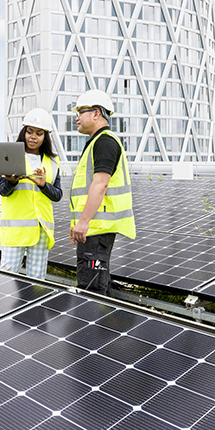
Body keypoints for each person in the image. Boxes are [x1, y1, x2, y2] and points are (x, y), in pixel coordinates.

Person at [69, 89, 136, 296]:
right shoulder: (96, 142)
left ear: (96, 113)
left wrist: (83, 222)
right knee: (96, 285)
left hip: (97, 228)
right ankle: (99, 327)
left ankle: (94, 328)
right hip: (94, 228)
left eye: (81, 111)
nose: (77, 117)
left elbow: (100, 184)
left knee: (91, 290)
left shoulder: (104, 142)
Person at [0, 108, 63, 280]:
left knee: (37, 281)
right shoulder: (9, 155)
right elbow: (2, 191)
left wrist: (44, 185)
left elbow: (57, 195)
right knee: (7, 278)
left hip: (42, 229)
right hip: (16, 229)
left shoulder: (53, 161)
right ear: (23, 132)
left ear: (45, 137)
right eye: (29, 131)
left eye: (39, 133)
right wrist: (12, 181)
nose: (33, 137)